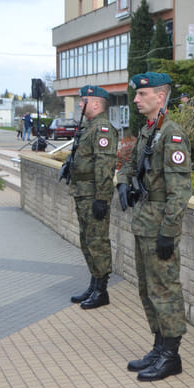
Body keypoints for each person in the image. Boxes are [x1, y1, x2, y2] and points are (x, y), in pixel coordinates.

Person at [116, 72, 192, 382]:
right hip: (143, 222)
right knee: (148, 289)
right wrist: (122, 183)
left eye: (142, 95)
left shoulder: (173, 135)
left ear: (160, 97)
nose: (135, 99)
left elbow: (180, 191)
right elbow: (131, 165)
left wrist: (168, 232)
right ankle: (159, 346)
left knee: (166, 290)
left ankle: (171, 356)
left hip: (159, 224)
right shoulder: (149, 131)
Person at [66, 85, 118, 309]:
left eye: (83, 100)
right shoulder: (88, 126)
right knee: (87, 241)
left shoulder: (103, 129)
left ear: (95, 104)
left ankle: (102, 290)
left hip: (93, 194)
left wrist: (102, 198)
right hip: (82, 192)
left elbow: (104, 166)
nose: (80, 103)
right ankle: (93, 283)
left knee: (97, 241)